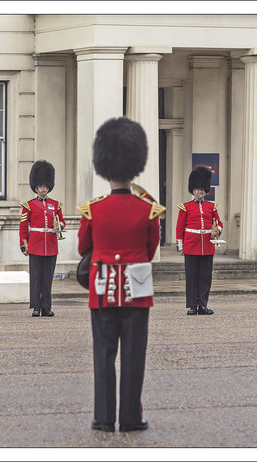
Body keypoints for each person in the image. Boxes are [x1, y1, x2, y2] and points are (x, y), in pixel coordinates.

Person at [77, 117, 164, 433]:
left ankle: (103, 417)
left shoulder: (93, 209)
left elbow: (83, 246)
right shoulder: (148, 210)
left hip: (101, 290)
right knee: (133, 356)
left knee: (103, 356)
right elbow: (150, 249)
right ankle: (129, 417)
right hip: (137, 290)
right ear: (135, 165)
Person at [19, 160, 65, 317]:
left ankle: (46, 307)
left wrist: (60, 226)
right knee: (36, 278)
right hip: (36, 245)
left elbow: (62, 221)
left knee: (47, 279)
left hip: (51, 245)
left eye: (45, 185)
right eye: (40, 185)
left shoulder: (55, 205)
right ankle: (36, 307)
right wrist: (24, 245)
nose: (43, 188)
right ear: (36, 187)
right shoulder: (29, 206)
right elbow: (24, 226)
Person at [175, 166, 223, 315]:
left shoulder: (212, 207)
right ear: (193, 190)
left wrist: (217, 231)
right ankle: (192, 306)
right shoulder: (185, 207)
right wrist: (180, 246)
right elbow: (180, 228)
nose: (199, 192)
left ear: (205, 190)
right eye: (197, 189)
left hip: (207, 246)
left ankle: (203, 304)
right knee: (192, 277)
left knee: (205, 277)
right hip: (191, 245)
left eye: (202, 189)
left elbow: (219, 223)